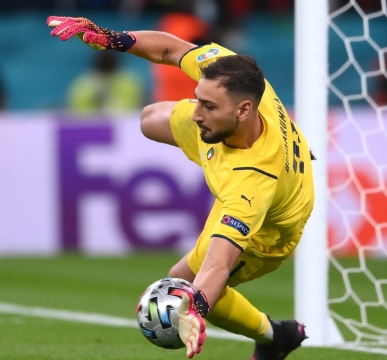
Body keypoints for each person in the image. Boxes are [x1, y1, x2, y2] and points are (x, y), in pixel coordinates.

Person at [47, 15, 314, 359]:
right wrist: (113, 38)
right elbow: (172, 50)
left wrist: (196, 308)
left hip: (268, 231)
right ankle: (273, 335)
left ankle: (275, 336)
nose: (197, 113)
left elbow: (218, 265)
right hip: (249, 157)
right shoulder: (234, 75)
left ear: (244, 110)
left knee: (183, 283)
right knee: (149, 119)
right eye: (198, 100)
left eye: (209, 106)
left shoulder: (250, 186)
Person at [66, 51, 143, 114]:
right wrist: (94, 100)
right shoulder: (86, 83)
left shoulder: (127, 82)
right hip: (91, 125)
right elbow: (76, 109)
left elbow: (133, 107)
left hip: (122, 124)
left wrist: (111, 104)